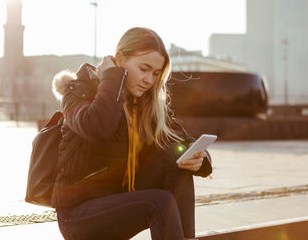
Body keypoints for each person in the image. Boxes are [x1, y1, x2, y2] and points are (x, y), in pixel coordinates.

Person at [51, 27, 212, 240]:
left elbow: (184, 142)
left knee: (176, 156)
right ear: (119, 59)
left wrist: (200, 160)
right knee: (158, 203)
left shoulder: (146, 104)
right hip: (78, 216)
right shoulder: (80, 91)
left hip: (121, 206)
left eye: (156, 74)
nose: (149, 80)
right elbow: (98, 127)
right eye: (144, 68)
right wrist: (112, 78)